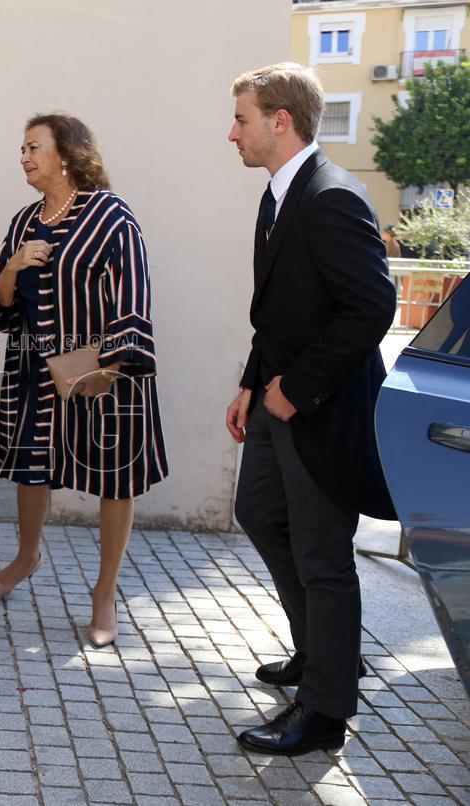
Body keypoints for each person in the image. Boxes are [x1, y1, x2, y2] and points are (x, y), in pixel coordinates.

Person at [225, 63, 396, 756]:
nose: (231, 132)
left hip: (319, 411)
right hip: (275, 398)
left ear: (280, 121)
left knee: (324, 558)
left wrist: (295, 391)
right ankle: (321, 652)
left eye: (241, 118)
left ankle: (324, 712)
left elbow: (371, 308)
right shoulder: (277, 196)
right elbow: (282, 315)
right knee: (259, 513)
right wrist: (251, 381)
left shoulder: (330, 197)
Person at [0, 113, 168, 648]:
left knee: (114, 477)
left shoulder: (110, 214)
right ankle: (26, 557)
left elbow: (133, 291)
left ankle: (105, 590)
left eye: (33, 147)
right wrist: (13, 268)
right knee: (31, 467)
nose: (23, 157)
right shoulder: (23, 222)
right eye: (21, 148)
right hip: (33, 369)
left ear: (66, 153)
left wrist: (110, 368)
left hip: (104, 370)